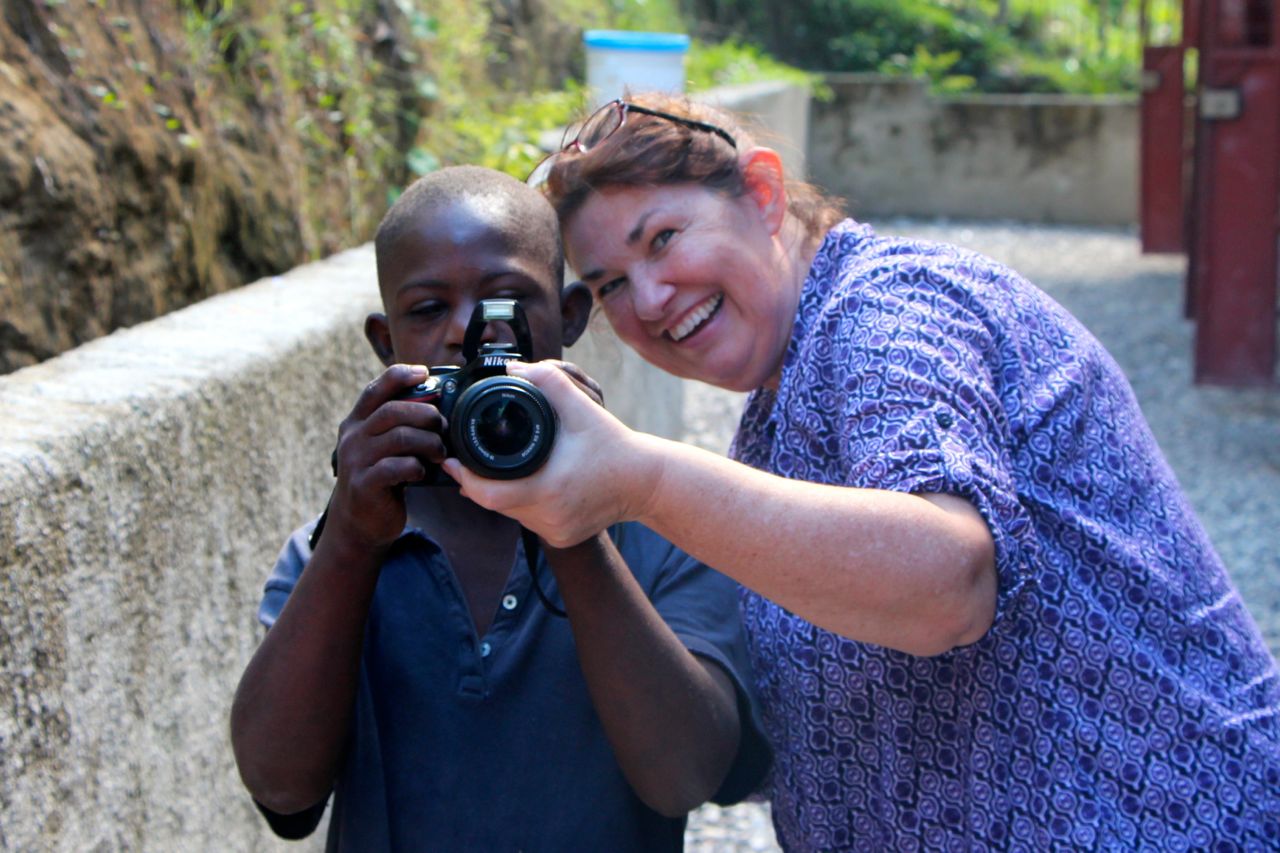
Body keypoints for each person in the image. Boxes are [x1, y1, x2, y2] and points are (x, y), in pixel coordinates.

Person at [447, 95, 1280, 849]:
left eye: (663, 238)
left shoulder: (886, 311)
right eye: (612, 285)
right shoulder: (778, 401)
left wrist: (645, 479)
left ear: (762, 194)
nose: (653, 299)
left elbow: (946, 584)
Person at [229, 165, 769, 852]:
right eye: (429, 309)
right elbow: (282, 788)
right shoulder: (338, 549)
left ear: (568, 316)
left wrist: (571, 521)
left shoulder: (663, 530)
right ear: (386, 343)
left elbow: (685, 776)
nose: (469, 332)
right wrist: (351, 541)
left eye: (506, 301)